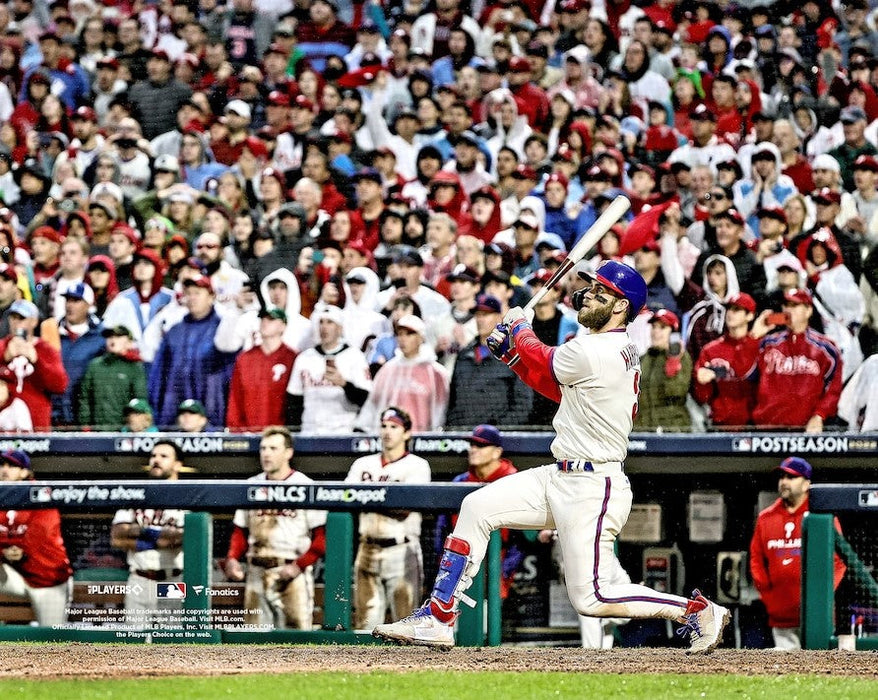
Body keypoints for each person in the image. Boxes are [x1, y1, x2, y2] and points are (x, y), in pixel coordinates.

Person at [374, 260, 730, 653]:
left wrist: (518, 328)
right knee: (476, 506)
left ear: (620, 306)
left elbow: (545, 358)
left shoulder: (600, 349)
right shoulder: (596, 348)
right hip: (561, 474)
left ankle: (696, 611)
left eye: (600, 292)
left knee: (593, 599)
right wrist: (512, 356)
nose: (589, 295)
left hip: (593, 485)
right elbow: (555, 385)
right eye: (591, 288)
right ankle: (439, 617)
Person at [223, 427, 328, 630]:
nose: (266, 453)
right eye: (263, 448)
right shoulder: (251, 485)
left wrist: (299, 565)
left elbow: (321, 538)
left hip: (291, 573)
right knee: (253, 642)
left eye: (273, 448)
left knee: (296, 641)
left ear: (288, 452)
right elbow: (240, 532)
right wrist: (233, 558)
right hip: (256, 572)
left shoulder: (305, 485)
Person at [344, 407, 431, 630]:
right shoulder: (362, 464)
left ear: (407, 433)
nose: (387, 431)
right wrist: (382, 498)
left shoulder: (417, 465)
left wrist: (366, 497)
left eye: (394, 427)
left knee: (406, 623)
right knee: (365, 625)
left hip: (401, 551)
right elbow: (344, 499)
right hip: (367, 549)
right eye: (383, 426)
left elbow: (404, 509)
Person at [749, 457, 846, 650]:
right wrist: (770, 598)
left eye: (791, 477)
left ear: (807, 483)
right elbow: (756, 561)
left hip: (817, 616)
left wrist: (822, 595)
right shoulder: (766, 518)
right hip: (781, 616)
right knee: (786, 672)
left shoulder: (822, 516)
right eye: (782, 477)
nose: (784, 482)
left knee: (820, 669)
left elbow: (839, 561)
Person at [110, 440, 188, 628]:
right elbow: (117, 535)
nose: (156, 460)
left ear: (177, 464)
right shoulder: (137, 493)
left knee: (171, 644)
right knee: (135, 647)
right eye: (153, 456)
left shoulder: (188, 495)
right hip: (139, 579)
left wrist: (138, 533)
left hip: (172, 579)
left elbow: (180, 538)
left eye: (163, 456)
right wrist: (154, 536)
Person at [0, 449, 72, 626]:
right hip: (17, 576)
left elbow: (40, 536)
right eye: (1, 465)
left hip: (47, 578)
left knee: (51, 640)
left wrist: (11, 547)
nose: (4, 470)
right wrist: (4, 551)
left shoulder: (41, 493)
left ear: (25, 471)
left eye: (12, 465)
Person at [356, 315, 450, 433]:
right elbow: (372, 406)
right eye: (400, 334)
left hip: (422, 440)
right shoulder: (388, 370)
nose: (402, 339)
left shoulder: (436, 373)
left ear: (421, 337)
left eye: (408, 334)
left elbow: (440, 412)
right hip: (390, 439)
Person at [226, 308, 298, 432]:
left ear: (283, 326)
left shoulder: (292, 358)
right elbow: (235, 399)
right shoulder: (244, 359)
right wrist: (236, 430)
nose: (265, 322)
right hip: (249, 432)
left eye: (271, 319)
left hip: (280, 434)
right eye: (263, 318)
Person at [0, 300, 68, 430]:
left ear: (34, 322)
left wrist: (37, 361)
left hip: (36, 427)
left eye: (21, 318)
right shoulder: (2, 346)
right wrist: (4, 357)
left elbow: (60, 385)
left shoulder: (45, 350)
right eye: (13, 317)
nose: (16, 322)